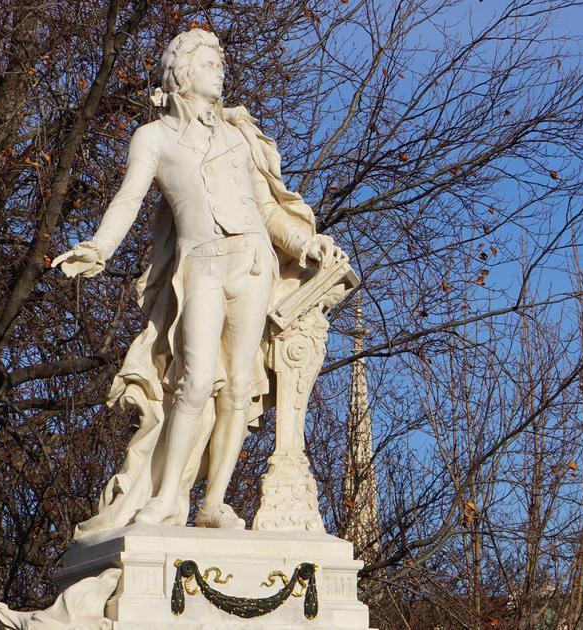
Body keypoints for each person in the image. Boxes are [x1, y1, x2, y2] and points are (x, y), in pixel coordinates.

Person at [52, 28, 345, 532]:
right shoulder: (155, 137)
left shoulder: (237, 136)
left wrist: (305, 244)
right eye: (210, 64)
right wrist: (99, 247)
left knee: (238, 387)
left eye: (220, 65)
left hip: (252, 264)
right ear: (182, 74)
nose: (220, 73)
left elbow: (266, 210)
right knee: (196, 381)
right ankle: (169, 498)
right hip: (202, 266)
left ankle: (213, 503)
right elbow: (128, 199)